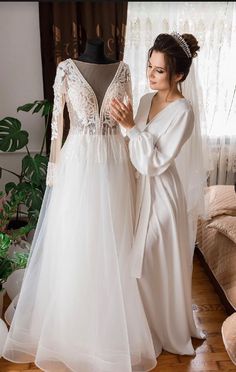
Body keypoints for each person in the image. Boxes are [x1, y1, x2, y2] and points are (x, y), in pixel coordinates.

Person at [2, 38, 157, 371]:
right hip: (79, 164)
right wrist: (54, 171)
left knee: (112, 243)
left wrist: (133, 168)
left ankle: (109, 321)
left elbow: (127, 120)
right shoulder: (66, 70)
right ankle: (71, 323)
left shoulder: (124, 70)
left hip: (116, 162)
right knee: (76, 241)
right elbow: (57, 125)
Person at [111, 32, 205, 357]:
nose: (150, 75)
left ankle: (166, 329)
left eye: (159, 70)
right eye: (149, 66)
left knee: (149, 259)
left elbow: (153, 163)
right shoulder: (144, 101)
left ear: (178, 74)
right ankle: (144, 326)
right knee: (135, 261)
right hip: (138, 191)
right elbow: (134, 149)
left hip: (163, 195)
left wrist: (131, 129)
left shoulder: (184, 112)